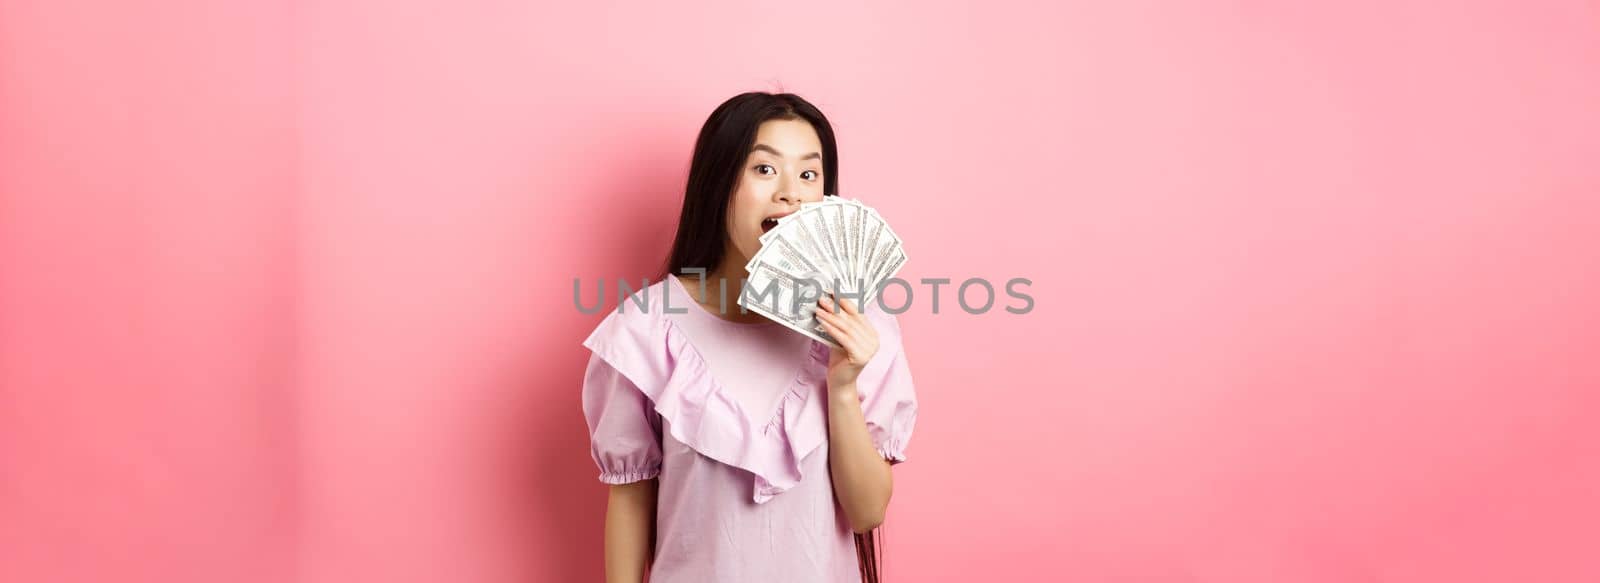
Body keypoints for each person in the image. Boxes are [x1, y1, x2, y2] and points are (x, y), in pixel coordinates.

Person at [579, 92, 919, 582]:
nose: (791, 194)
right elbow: (630, 501)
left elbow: (867, 513)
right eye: (764, 170)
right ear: (719, 185)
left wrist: (842, 388)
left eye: (808, 174)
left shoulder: (860, 329)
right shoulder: (646, 328)